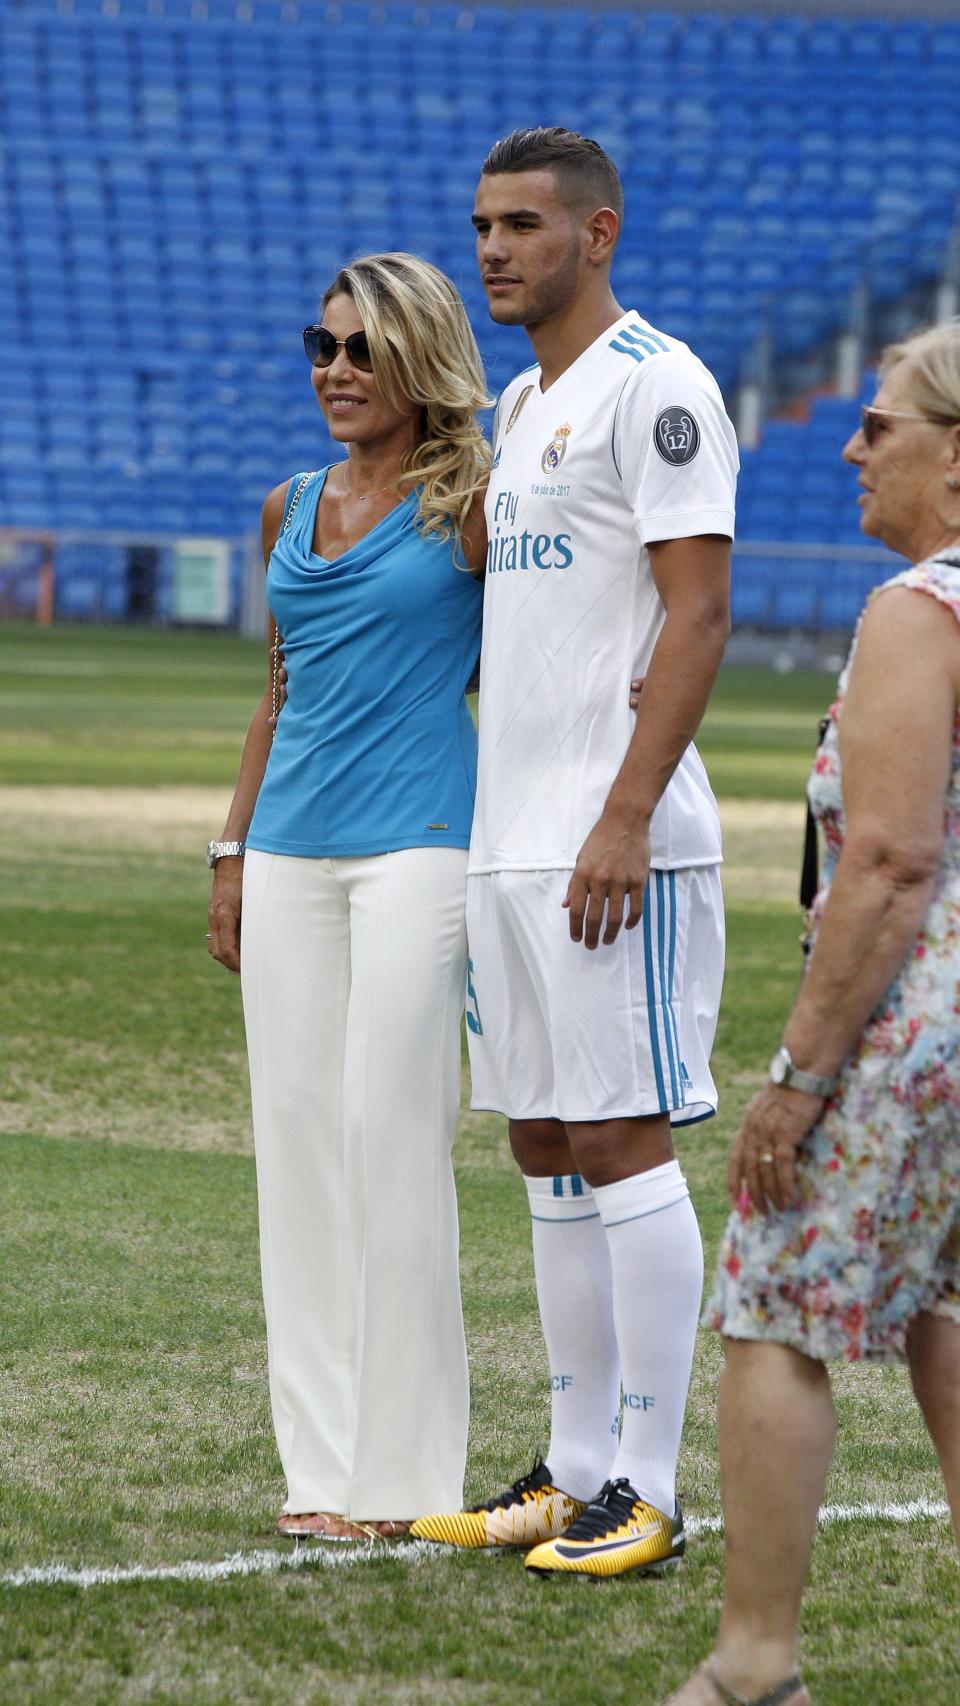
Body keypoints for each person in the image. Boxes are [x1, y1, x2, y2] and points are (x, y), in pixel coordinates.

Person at [410, 128, 738, 1578]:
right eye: (482, 224)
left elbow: (698, 614)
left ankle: (654, 1488)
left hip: (616, 844)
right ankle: (580, 1467)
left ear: (597, 234)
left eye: (525, 224)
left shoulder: (655, 383)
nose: (494, 248)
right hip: (512, 841)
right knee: (545, 1141)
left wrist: (621, 812)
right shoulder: (533, 398)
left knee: (618, 1135)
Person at [667, 320, 960, 1706]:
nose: (851, 445)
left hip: (919, 1022)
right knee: (948, 1308)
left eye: (882, 423)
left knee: (775, 1294)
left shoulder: (922, 612)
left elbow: (891, 863)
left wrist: (796, 1073)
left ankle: (753, 1666)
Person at [206, 252, 489, 1541]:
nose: (335, 371)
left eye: (361, 350)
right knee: (299, 1160)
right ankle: (319, 1480)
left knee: (392, 1144)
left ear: (417, 359)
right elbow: (279, 692)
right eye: (319, 347)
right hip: (287, 856)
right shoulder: (288, 504)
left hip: (423, 847)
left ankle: (407, 1486)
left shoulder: (478, 504)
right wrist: (229, 852)